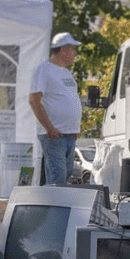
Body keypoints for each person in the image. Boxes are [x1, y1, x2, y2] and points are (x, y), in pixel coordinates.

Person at [29, 32, 83, 185]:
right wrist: (49, 129)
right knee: (57, 179)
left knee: (65, 176)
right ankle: (51, 208)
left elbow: (70, 100)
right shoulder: (44, 69)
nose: (75, 53)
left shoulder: (67, 73)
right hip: (54, 135)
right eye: (72, 49)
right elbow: (34, 100)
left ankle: (52, 205)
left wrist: (75, 127)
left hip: (69, 134)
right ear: (63, 50)